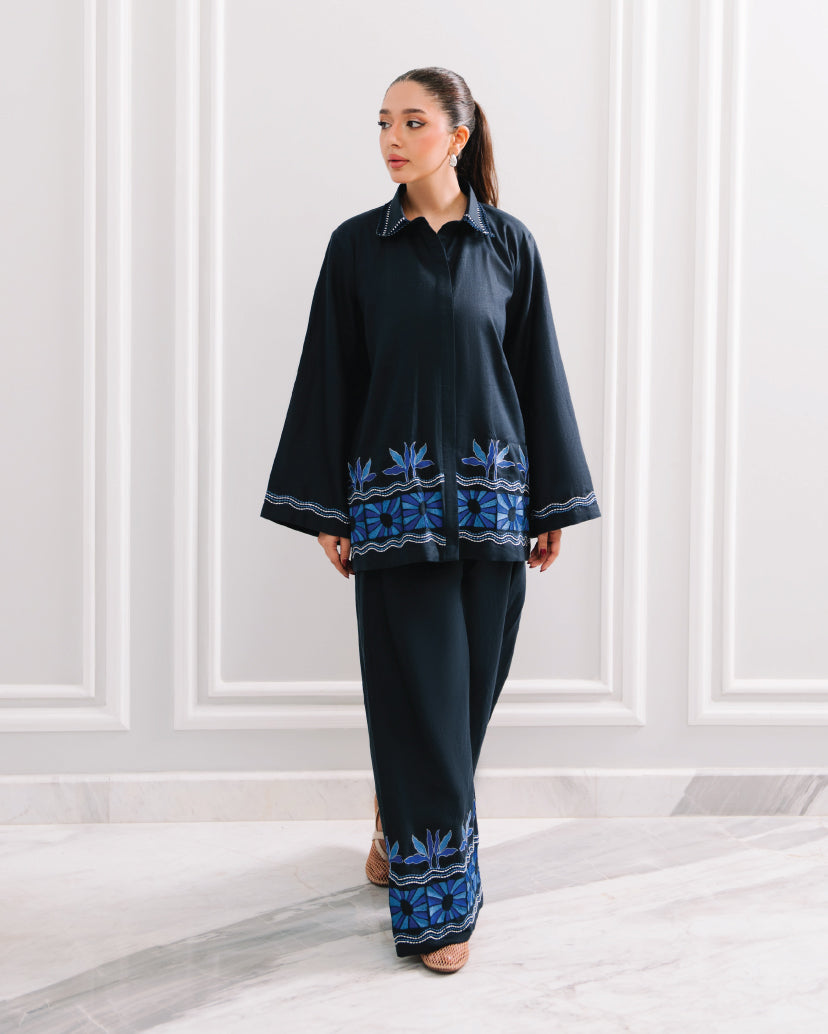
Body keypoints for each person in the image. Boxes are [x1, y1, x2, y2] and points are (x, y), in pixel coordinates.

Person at [260, 67, 601, 973]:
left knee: (461, 705)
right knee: (419, 705)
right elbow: (330, 374)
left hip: (495, 510)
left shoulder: (509, 247)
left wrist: (552, 500)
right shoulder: (357, 249)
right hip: (392, 509)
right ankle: (438, 907)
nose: (392, 139)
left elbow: (538, 376)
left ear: (457, 134)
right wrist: (325, 506)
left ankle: (392, 820)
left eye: (412, 122)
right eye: (383, 122)